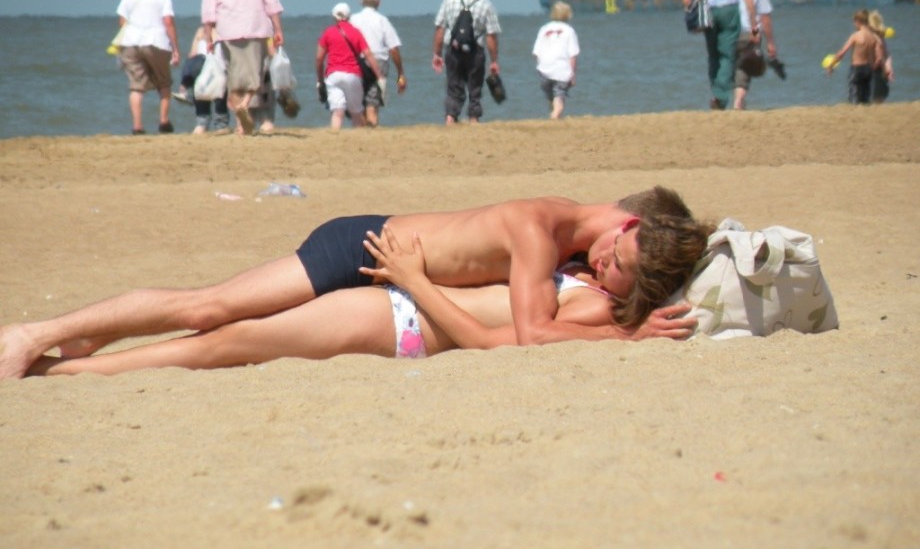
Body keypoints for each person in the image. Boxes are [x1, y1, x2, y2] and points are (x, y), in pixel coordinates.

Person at [0, 188, 710, 380]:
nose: (612, 279)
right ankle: (36, 334)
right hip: (361, 249)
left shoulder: (573, 244)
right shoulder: (539, 230)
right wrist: (625, 335)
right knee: (209, 308)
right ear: (625, 224)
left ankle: (89, 339)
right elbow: (526, 337)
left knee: (221, 330)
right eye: (623, 265)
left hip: (387, 273)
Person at [25, 237, 697, 377]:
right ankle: (74, 350)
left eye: (619, 266)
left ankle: (64, 373)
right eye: (615, 248)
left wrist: (413, 279)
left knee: (221, 342)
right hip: (395, 307)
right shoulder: (594, 290)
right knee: (219, 324)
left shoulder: (599, 315)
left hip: (401, 321)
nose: (602, 258)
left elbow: (500, 342)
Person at [201, 0, 284, 136]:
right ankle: (245, 105)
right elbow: (271, 3)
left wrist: (208, 38)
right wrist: (277, 29)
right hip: (255, 28)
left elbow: (209, 13)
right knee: (256, 75)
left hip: (227, 31)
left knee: (235, 78)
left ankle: (241, 125)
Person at [682, 0, 756, 111]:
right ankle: (720, 97)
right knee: (727, 55)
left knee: (713, 54)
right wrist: (753, 24)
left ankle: (717, 93)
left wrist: (694, 17)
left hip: (709, 13)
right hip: (729, 12)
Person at [115, 0, 180, 135]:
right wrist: (175, 48)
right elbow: (168, 22)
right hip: (155, 41)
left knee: (136, 86)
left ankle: (137, 126)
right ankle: (164, 122)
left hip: (130, 42)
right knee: (164, 82)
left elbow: (122, 20)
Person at [432, 0, 501, 124]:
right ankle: (474, 119)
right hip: (475, 52)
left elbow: (440, 28)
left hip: (453, 50)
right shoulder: (485, 3)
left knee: (453, 88)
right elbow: (491, 36)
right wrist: (494, 60)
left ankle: (450, 118)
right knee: (474, 90)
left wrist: (437, 54)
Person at [315, 3, 384, 130]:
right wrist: (379, 76)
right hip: (353, 75)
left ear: (334, 16)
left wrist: (320, 79)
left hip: (333, 76)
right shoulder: (356, 32)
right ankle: (356, 139)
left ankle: (334, 136)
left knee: (337, 111)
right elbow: (368, 54)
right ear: (349, 16)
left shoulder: (328, 32)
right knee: (356, 112)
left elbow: (319, 58)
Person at [350, 0, 407, 128]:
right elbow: (393, 49)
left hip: (357, 61)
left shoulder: (353, 19)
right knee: (372, 101)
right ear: (379, 2)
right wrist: (400, 72)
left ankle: (362, 130)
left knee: (359, 100)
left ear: (361, 1)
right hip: (378, 61)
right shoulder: (382, 21)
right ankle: (372, 127)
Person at [732, 0, 777, 110]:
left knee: (730, 65)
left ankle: (729, 100)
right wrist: (770, 42)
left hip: (729, 32)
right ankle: (738, 101)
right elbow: (764, 18)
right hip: (751, 32)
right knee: (745, 68)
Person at [172, 26, 231, 135]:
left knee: (204, 95)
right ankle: (218, 125)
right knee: (218, 97)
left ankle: (202, 124)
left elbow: (192, 55)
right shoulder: (219, 29)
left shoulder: (203, 31)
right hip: (216, 70)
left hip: (208, 71)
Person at [532, 1, 580, 120]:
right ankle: (555, 116)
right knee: (559, 98)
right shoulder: (569, 30)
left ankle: (555, 118)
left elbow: (536, 53)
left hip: (544, 70)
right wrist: (573, 74)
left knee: (552, 98)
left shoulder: (544, 29)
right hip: (561, 70)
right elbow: (573, 55)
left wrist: (540, 66)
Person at [825, 9, 883, 105]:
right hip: (869, 70)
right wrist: (874, 67)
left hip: (857, 69)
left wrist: (831, 66)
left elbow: (841, 53)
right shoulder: (874, 37)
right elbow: (879, 58)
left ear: (858, 21)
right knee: (865, 97)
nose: (854, 25)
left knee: (854, 98)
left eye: (854, 22)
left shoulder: (855, 36)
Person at [868, 10, 894, 104]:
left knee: (874, 98)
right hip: (880, 69)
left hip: (875, 68)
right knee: (879, 97)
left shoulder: (873, 37)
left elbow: (881, 56)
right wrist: (889, 69)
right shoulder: (881, 37)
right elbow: (887, 55)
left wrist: (886, 69)